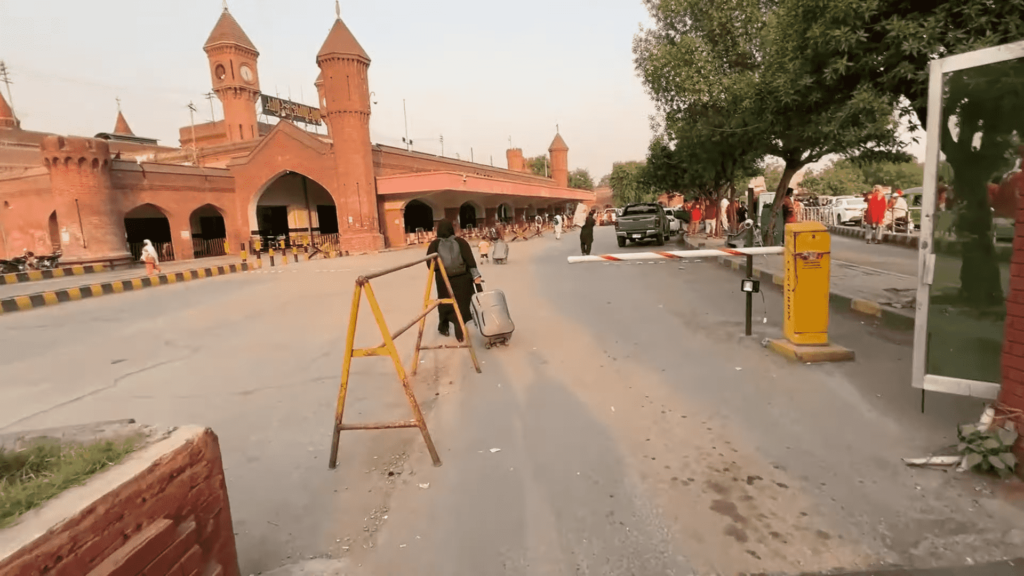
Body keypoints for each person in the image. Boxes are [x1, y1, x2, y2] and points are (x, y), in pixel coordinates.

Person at [426, 220, 481, 342]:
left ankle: (443, 326)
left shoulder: (434, 244)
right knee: (462, 304)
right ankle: (460, 327)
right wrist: (476, 277)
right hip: (463, 279)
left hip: (444, 279)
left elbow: (430, 263)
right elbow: (470, 261)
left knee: (445, 302)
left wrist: (439, 269)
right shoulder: (461, 242)